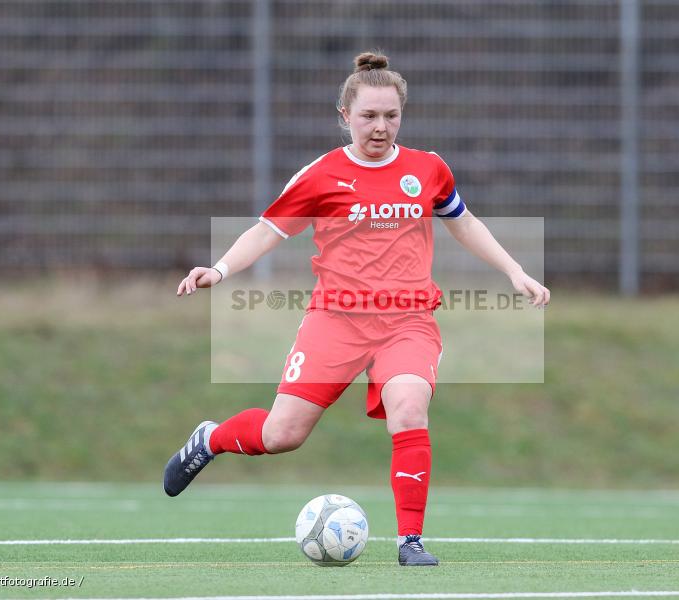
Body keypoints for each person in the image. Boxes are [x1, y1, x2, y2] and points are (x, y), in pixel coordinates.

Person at [164, 51, 550, 567]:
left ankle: (410, 541)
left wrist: (514, 270)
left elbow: (463, 221)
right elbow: (267, 230)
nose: (380, 127)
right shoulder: (321, 174)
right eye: (368, 116)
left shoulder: (428, 169)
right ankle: (211, 438)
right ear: (345, 115)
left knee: (409, 407)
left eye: (391, 115)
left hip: (408, 321)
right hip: (335, 320)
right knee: (282, 435)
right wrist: (219, 269)